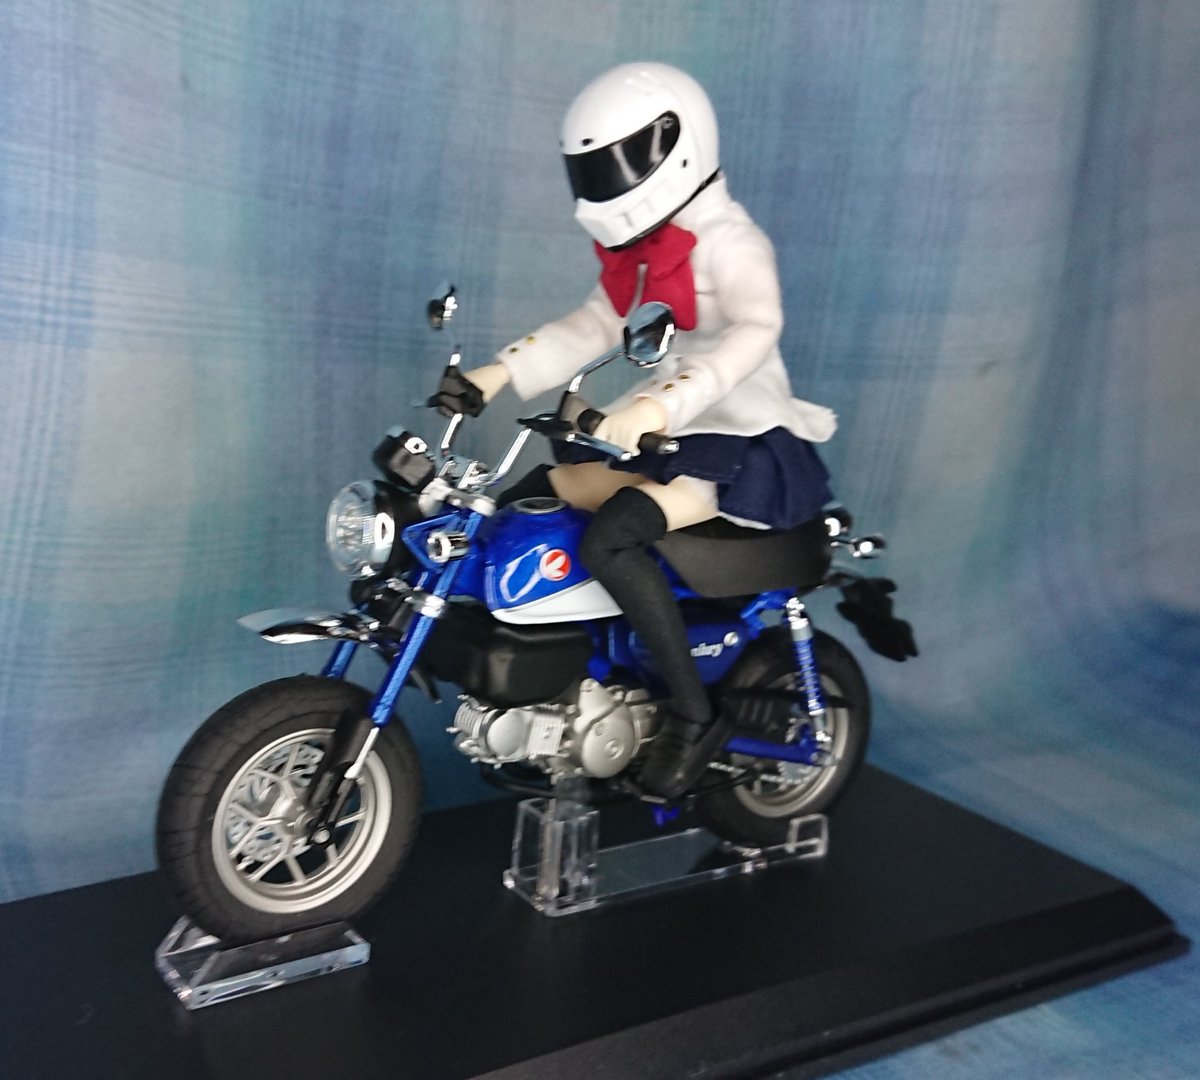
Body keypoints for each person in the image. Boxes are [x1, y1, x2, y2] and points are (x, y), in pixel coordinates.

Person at [448, 62, 838, 799]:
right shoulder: (642, 251)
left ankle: (693, 715)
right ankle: (555, 670)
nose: (604, 185)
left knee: (613, 537)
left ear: (675, 147)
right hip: (656, 426)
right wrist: (495, 375)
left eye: (618, 164)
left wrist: (662, 407)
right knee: (535, 496)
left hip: (734, 434)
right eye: (593, 170)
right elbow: (593, 324)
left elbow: (755, 332)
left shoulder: (732, 242)